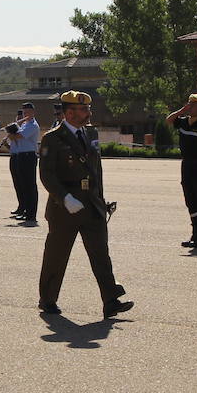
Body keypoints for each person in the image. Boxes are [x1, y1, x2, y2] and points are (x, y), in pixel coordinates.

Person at [36, 90, 133, 317]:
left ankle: (111, 299)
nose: (89, 113)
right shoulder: (53, 138)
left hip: (92, 204)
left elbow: (96, 170)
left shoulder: (90, 133)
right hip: (65, 207)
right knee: (57, 255)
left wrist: (101, 198)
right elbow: (47, 175)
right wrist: (64, 197)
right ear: (69, 113)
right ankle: (47, 298)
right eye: (84, 109)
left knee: (101, 254)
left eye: (88, 109)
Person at [167, 94, 197, 249]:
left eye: (194, 104)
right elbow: (168, 121)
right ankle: (195, 234)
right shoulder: (183, 122)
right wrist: (182, 110)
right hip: (186, 166)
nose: (191, 107)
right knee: (190, 201)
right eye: (190, 104)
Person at [7, 102, 41, 223]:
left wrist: (12, 130)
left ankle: (31, 214)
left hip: (29, 156)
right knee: (23, 185)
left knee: (29, 185)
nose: (25, 114)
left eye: (27, 112)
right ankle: (25, 210)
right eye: (24, 112)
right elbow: (14, 137)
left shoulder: (32, 125)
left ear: (33, 112)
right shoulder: (24, 124)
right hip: (22, 156)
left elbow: (19, 136)